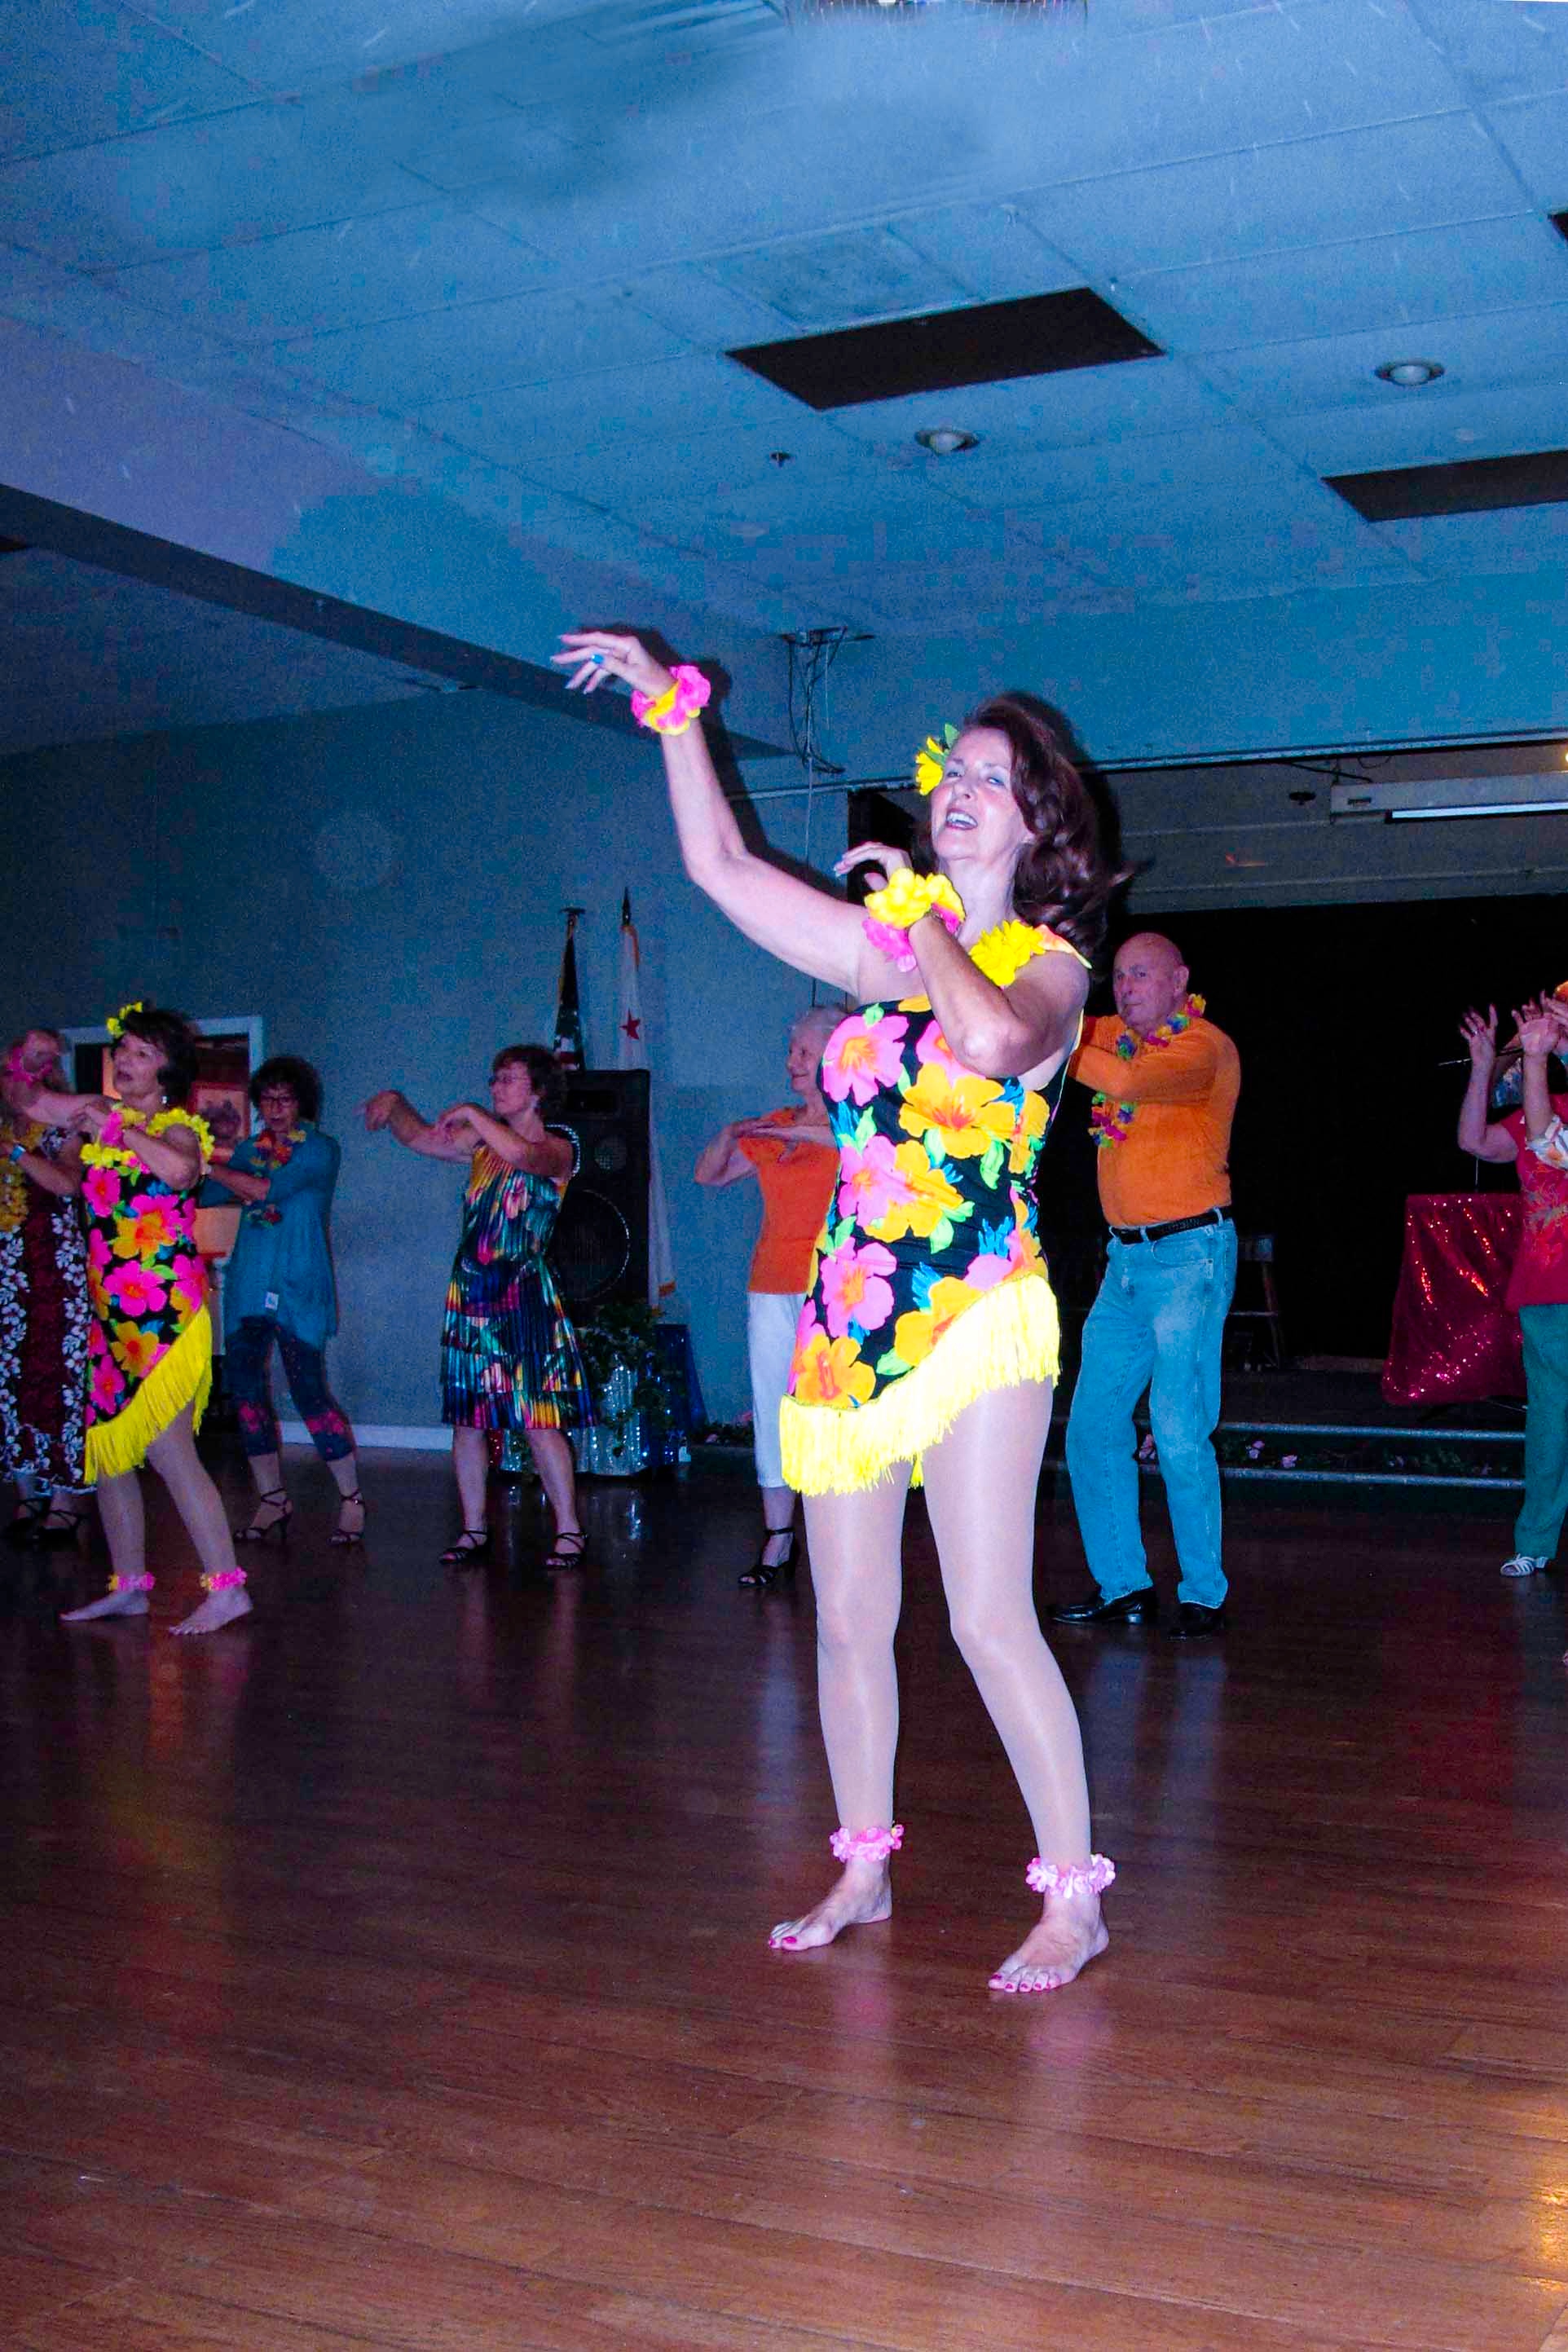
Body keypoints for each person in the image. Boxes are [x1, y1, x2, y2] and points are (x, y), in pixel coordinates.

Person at [555, 628, 1123, 1996]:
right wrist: (674, 712)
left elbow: (990, 1039)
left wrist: (922, 919)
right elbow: (720, 868)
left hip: (976, 1309)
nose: (960, 792)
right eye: (951, 774)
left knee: (985, 1614)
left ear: (1037, 819)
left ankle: (1073, 1897)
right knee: (847, 1612)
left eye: (991, 780)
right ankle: (863, 1866)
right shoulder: (882, 957)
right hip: (848, 1312)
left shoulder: (1048, 963)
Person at [21, 1003, 253, 1635]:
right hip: (110, 1316)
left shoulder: (178, 1129)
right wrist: (28, 1061)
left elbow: (180, 1173)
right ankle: (128, 1588)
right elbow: (29, 1105)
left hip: (164, 1315)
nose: (125, 1059)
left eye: (142, 1053)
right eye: (123, 1050)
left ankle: (228, 1589)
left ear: (167, 1070)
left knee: (169, 1450)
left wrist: (117, 1126)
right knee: (111, 1455)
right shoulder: (95, 1118)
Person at [1050, 932, 1240, 1637]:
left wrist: (1052, 1034)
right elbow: (1063, 1018)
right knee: (1092, 1427)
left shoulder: (1203, 1048)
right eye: (1119, 977)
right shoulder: (1116, 1037)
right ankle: (1124, 1585)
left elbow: (1122, 1083)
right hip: (1125, 1264)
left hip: (1190, 1257)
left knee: (1178, 1428)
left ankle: (1204, 1591)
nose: (1125, 987)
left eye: (1141, 975)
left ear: (1179, 980)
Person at [363, 1045, 592, 1570]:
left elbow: (525, 1158)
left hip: (524, 1293)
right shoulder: (481, 1143)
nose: (496, 1087)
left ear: (538, 1091)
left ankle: (569, 1530)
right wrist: (395, 1103)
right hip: (472, 1292)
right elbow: (421, 1138)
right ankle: (473, 1528)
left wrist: (472, 1112)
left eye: (509, 1079)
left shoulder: (560, 1147)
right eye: (494, 1078)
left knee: (538, 1418)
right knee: (467, 1420)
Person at [694, 1005, 840, 1587]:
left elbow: (853, 1139)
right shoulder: (777, 1123)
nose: (792, 1062)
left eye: (805, 1052)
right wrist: (731, 1133)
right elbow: (709, 1175)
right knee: (774, 1407)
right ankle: (779, 1538)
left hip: (838, 1288)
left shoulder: (862, 1117)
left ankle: (838, 1536)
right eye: (792, 1052)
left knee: (831, 1409)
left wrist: (788, 1132)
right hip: (772, 1282)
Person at [200, 1055, 365, 1547]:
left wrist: (209, 1164)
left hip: (299, 1281)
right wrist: (180, 1160)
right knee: (246, 1394)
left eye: (285, 1099)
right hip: (249, 1281)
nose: (275, 1108)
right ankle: (272, 1498)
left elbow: (263, 1190)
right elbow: (204, 1194)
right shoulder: (249, 1149)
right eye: (267, 1099)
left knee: (308, 1391)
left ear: (302, 1103)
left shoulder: (320, 1150)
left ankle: (352, 1499)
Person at [1458, 999, 1568, 1578]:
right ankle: (1536, 1541)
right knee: (1549, 1419)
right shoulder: (1536, 1109)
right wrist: (1484, 1065)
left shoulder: (1549, 1113)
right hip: (1548, 1286)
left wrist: (1542, 1054)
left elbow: (1550, 1142)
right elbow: (1475, 1141)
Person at [0, 1028, 92, 1547]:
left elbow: (67, 1184)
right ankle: (27, 1492)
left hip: (56, 1273)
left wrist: (15, 1152)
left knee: (57, 1377)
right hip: (8, 1274)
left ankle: (63, 1500)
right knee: (9, 1380)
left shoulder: (64, 1129)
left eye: (32, 1068)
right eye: (9, 1071)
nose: (15, 1081)